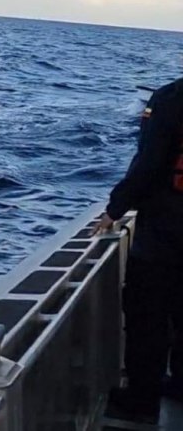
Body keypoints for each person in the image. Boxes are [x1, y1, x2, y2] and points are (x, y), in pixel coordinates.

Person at [93, 77, 183, 424]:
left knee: (148, 315)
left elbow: (149, 163)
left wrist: (115, 209)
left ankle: (141, 401)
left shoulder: (171, 99)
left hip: (167, 231)